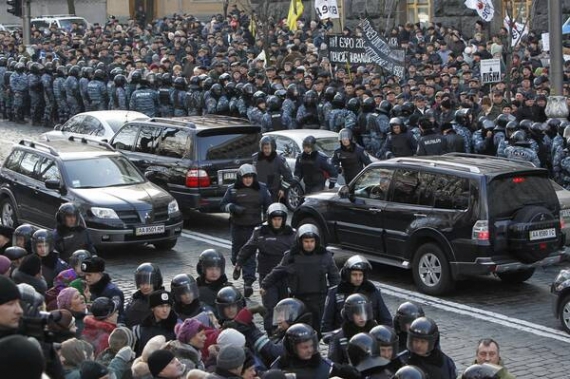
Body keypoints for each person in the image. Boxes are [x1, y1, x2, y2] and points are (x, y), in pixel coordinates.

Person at [261, 224, 340, 333]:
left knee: (317, 330)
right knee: (292, 330)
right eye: (306, 241)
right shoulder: (291, 256)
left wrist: (337, 295)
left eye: (312, 241)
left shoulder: (325, 256)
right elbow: (278, 272)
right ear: (300, 241)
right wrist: (265, 285)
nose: (309, 244)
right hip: (296, 299)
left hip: (318, 301)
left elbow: (335, 277)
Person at [234, 202, 296, 334]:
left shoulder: (292, 235)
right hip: (267, 277)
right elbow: (248, 249)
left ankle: (283, 331)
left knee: (284, 305)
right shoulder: (260, 232)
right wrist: (239, 263)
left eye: (280, 219)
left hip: (285, 277)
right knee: (270, 306)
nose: (277, 222)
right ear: (269, 219)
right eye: (274, 219)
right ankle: (271, 331)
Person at [220, 164, 272, 298]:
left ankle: (248, 283)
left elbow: (269, 207)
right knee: (237, 254)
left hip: (253, 228)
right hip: (237, 227)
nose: (248, 180)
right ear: (240, 177)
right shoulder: (232, 189)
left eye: (250, 177)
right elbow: (222, 205)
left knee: (249, 254)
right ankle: (237, 266)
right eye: (245, 177)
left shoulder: (262, 189)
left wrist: (268, 222)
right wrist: (232, 207)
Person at [322, 255, 391, 333]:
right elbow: (327, 323)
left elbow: (386, 319)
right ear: (348, 275)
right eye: (354, 275)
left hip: (368, 339)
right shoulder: (335, 292)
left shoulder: (373, 291)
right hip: (344, 336)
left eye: (360, 275)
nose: (358, 278)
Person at [271, 323, 359, 379]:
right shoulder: (279, 366)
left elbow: (354, 374)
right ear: (292, 348)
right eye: (304, 347)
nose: (310, 350)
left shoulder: (326, 367)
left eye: (311, 346)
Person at [327, 293, 377, 364]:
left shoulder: (375, 333)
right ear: (349, 314)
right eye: (358, 314)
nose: (362, 317)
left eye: (364, 313)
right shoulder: (338, 337)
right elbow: (333, 364)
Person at [134, 290, 178, 357]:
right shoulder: (140, 329)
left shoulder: (176, 329)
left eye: (168, 306)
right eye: (161, 306)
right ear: (152, 308)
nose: (165, 310)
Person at [81, 256, 125, 323]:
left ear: (99, 273)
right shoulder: (89, 287)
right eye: (85, 275)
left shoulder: (113, 291)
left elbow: (119, 317)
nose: (86, 278)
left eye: (89, 275)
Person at [252, 136, 294, 203]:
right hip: (258, 191)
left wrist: (282, 189)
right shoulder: (255, 158)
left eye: (269, 148)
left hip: (273, 193)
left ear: (273, 148)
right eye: (265, 148)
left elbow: (289, 177)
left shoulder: (280, 160)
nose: (267, 150)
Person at [125, 263, 164, 328]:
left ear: (156, 283)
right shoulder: (134, 301)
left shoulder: (165, 300)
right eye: (142, 283)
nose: (145, 287)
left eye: (149, 283)